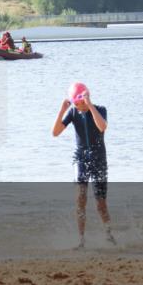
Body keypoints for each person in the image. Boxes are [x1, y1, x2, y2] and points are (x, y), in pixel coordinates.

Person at [53, 82, 114, 248]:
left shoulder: (100, 109)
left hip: (98, 159)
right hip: (80, 158)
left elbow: (102, 127)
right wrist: (62, 110)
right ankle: (81, 240)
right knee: (80, 198)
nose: (77, 106)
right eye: (75, 103)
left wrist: (89, 106)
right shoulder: (72, 112)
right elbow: (55, 132)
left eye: (79, 102)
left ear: (85, 97)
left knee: (100, 203)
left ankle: (109, 235)